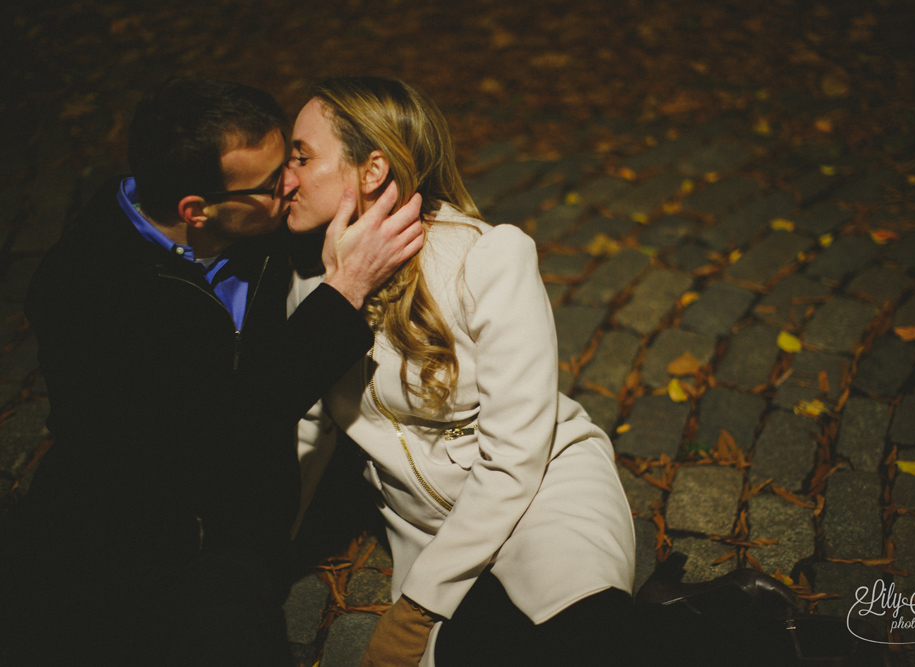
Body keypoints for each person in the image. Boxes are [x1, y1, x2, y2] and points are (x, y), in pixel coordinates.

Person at [0, 76, 423, 667]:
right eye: (274, 181)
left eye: (291, 162)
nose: (292, 184)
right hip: (128, 532)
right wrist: (345, 289)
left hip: (234, 538)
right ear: (195, 211)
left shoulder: (264, 224)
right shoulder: (83, 292)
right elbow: (224, 424)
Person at [284, 76, 637, 667]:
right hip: (428, 531)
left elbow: (515, 459)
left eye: (303, 156)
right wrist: (255, 556)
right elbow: (306, 429)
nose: (285, 176)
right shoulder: (306, 288)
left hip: (542, 495)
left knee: (581, 639)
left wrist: (419, 607)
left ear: (372, 171)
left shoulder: (487, 258)